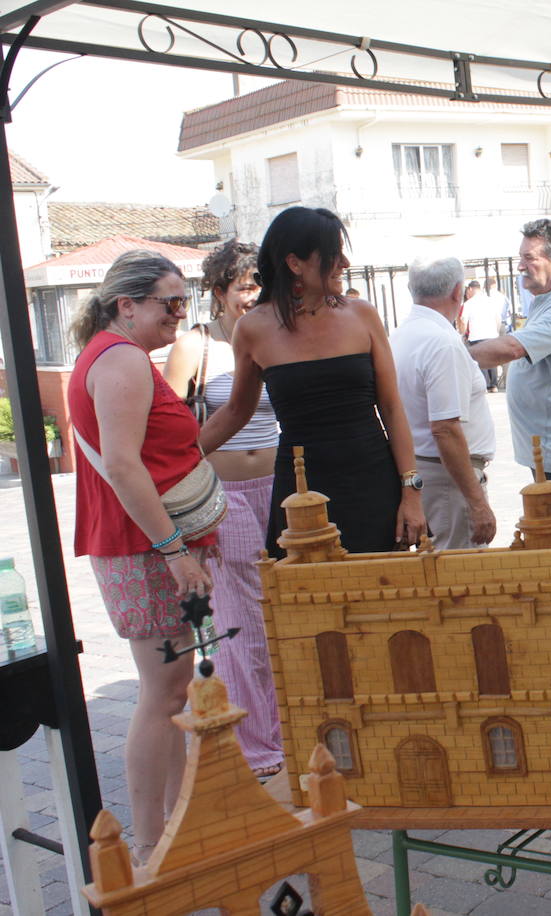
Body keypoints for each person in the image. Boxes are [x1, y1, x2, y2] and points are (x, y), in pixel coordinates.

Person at [67, 250, 218, 862]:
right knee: (164, 693)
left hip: (138, 544)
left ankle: (177, 827)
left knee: (169, 689)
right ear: (126, 305)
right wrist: (176, 553)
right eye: (170, 302)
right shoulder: (122, 359)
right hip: (144, 548)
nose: (180, 314)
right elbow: (125, 466)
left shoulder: (109, 353)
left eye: (186, 301)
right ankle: (154, 842)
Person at [199, 206, 425, 555]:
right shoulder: (253, 328)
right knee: (304, 588)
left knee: (383, 587)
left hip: (372, 482)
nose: (344, 263)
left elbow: (392, 408)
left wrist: (411, 492)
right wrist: (179, 461)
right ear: (295, 263)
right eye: (333, 254)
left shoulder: (362, 315)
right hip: (300, 490)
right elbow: (236, 412)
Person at [163, 239, 283, 779]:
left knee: (279, 616)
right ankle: (254, 746)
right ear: (218, 291)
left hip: (277, 490)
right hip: (224, 495)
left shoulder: (272, 333)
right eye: (243, 286)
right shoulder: (197, 345)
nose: (252, 295)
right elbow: (169, 430)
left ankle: (283, 731)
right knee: (242, 620)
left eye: (259, 285)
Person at [469, 218, 551, 513]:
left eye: (529, 258)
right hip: (550, 451)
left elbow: (511, 349)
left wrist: (454, 354)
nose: (520, 266)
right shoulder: (549, 298)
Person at [391, 254, 498, 550]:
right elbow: (445, 429)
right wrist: (477, 502)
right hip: (449, 477)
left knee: (443, 567)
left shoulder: (401, 335)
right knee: (461, 572)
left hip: (428, 470)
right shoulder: (442, 342)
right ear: (457, 292)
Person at [463, 278, 504, 392]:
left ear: (470, 289)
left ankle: (485, 385)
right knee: (492, 359)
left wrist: (464, 333)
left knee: (480, 360)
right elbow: (498, 318)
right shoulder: (490, 301)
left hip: (476, 335)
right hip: (491, 334)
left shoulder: (468, 303)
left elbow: (463, 320)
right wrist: (496, 330)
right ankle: (494, 385)